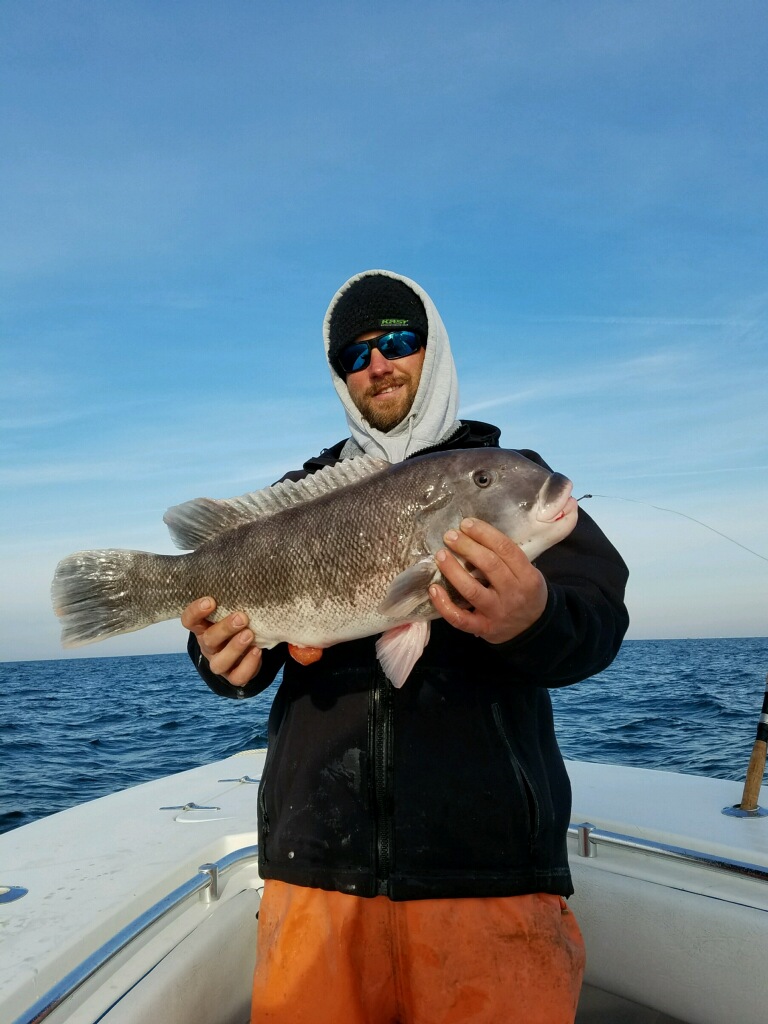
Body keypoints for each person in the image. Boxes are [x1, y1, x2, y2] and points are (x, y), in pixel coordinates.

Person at [182, 270, 629, 1024]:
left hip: (489, 879)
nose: (378, 365)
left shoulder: (509, 478)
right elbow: (228, 631)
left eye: (397, 342)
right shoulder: (305, 492)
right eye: (355, 356)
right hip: (316, 873)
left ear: (435, 351)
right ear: (340, 379)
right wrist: (222, 663)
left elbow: (597, 621)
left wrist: (536, 613)